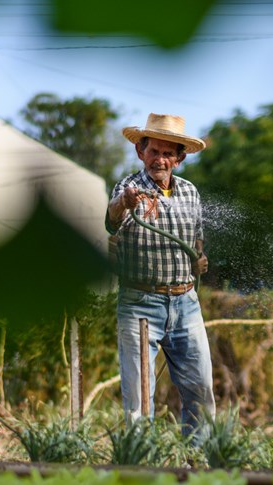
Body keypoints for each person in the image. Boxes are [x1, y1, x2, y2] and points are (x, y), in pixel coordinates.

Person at [105, 113, 215, 437]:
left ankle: (199, 463)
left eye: (168, 153)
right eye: (154, 151)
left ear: (179, 158)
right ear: (141, 152)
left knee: (201, 389)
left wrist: (200, 260)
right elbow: (112, 221)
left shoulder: (190, 193)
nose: (160, 160)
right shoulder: (129, 188)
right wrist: (124, 203)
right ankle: (142, 468)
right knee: (139, 401)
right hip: (140, 303)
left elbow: (196, 241)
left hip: (186, 303)